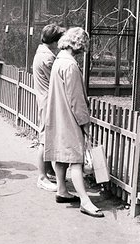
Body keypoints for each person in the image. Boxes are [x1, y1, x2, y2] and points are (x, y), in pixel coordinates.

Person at [45, 27, 104, 217]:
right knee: (77, 160)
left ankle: (62, 190)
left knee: (62, 154)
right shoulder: (70, 65)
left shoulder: (59, 60)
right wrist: (84, 122)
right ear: (78, 43)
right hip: (69, 117)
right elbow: (76, 98)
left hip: (58, 115)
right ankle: (85, 202)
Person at [32, 23, 65, 192]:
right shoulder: (48, 58)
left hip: (46, 100)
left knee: (48, 138)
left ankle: (48, 172)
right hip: (48, 102)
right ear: (54, 41)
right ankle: (42, 177)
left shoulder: (44, 52)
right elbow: (59, 81)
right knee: (44, 140)